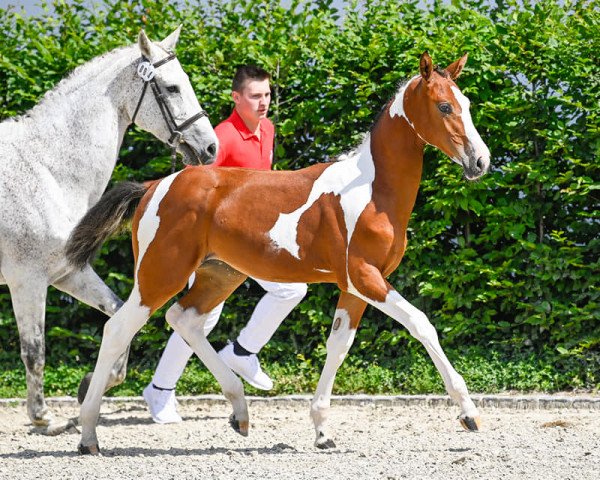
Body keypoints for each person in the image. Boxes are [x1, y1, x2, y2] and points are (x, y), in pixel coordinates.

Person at [143, 65, 307, 424]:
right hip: (210, 245)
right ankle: (161, 391)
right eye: (255, 96)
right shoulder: (223, 137)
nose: (263, 103)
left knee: (292, 289)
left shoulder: (268, 129)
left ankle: (241, 353)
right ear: (236, 98)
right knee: (199, 317)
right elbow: (193, 190)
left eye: (266, 95)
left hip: (254, 241)